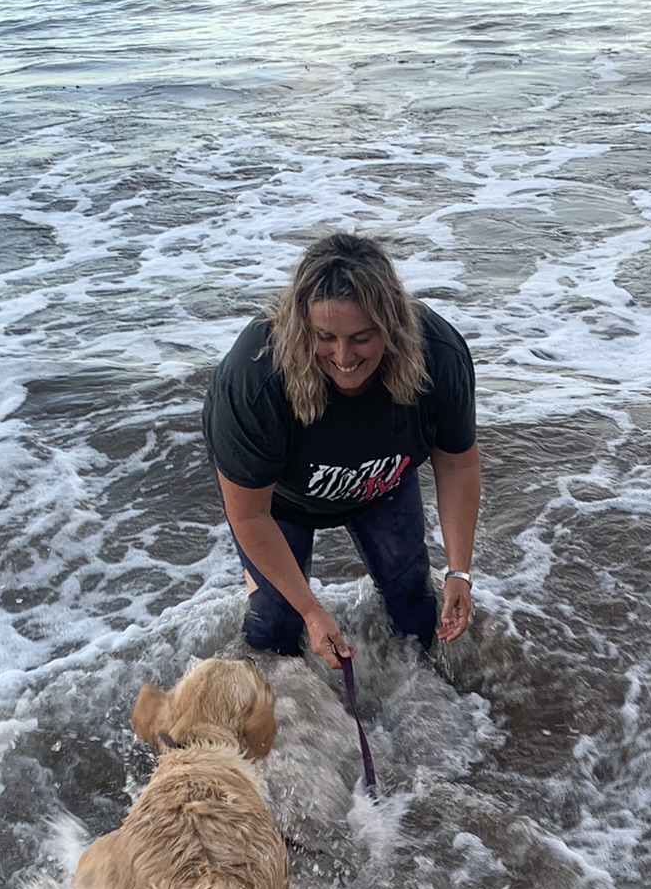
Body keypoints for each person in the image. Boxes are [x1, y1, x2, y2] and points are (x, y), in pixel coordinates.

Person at [204, 232, 481, 669]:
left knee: (416, 610)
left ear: (393, 325)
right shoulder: (254, 378)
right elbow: (248, 514)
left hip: (380, 483)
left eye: (362, 337)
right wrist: (312, 610)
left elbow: (457, 464)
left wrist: (459, 572)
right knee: (276, 624)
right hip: (280, 503)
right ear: (300, 326)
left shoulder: (438, 354)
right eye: (325, 337)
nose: (343, 356)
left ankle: (428, 699)